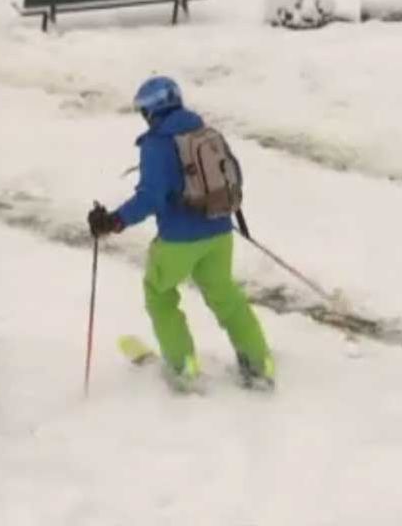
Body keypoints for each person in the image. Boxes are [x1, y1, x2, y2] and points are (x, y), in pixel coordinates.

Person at [88, 76, 275, 391]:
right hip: (219, 233)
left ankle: (183, 367)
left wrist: (114, 221)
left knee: (159, 295)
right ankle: (259, 361)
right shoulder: (204, 132)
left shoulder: (158, 145)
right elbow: (232, 177)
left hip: (179, 239)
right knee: (225, 295)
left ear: (151, 111)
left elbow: (151, 197)